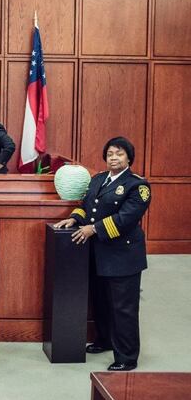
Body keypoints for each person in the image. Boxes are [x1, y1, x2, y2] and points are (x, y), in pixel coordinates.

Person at [54, 136, 151, 372]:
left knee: (123, 308)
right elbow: (86, 206)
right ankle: (105, 340)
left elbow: (126, 219)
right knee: (101, 302)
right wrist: (74, 218)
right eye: (110, 154)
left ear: (129, 157)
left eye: (119, 153)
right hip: (98, 254)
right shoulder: (98, 179)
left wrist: (93, 228)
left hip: (123, 256)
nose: (113, 158)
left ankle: (127, 357)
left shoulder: (138, 186)